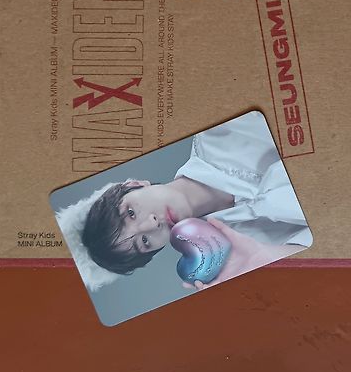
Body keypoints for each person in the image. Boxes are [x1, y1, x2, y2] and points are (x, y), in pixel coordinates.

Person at [54, 112, 311, 292]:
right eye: (144, 242)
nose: (151, 225)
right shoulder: (246, 246)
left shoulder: (219, 127)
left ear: (134, 184)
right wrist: (269, 258)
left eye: (131, 213)